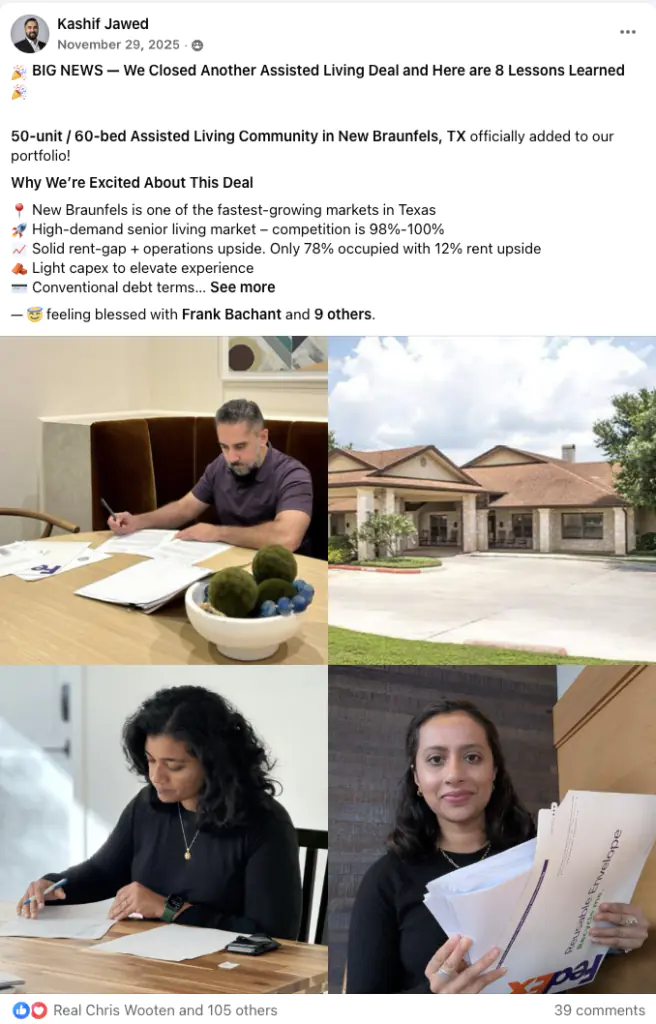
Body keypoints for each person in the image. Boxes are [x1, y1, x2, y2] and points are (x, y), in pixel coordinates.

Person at [346, 700, 649, 993]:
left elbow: (569, 949)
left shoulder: (548, 856)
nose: (454, 775)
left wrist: (619, 937)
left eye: (472, 757)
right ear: (417, 777)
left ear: (494, 771)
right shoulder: (386, 880)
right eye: (436, 759)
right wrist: (435, 998)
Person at [17, 686, 303, 939]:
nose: (156, 776)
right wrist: (53, 885)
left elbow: (274, 935)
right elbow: (103, 872)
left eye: (174, 766)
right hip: (155, 967)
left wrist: (169, 908)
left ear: (214, 762)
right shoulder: (148, 804)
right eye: (151, 760)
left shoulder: (265, 824)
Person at [107, 399, 313, 554]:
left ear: (262, 437)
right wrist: (137, 521)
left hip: (287, 573)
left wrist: (218, 533)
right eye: (224, 447)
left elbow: (287, 537)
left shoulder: (293, 474)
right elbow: (183, 508)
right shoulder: (219, 466)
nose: (231, 457)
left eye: (240, 446)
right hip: (231, 563)